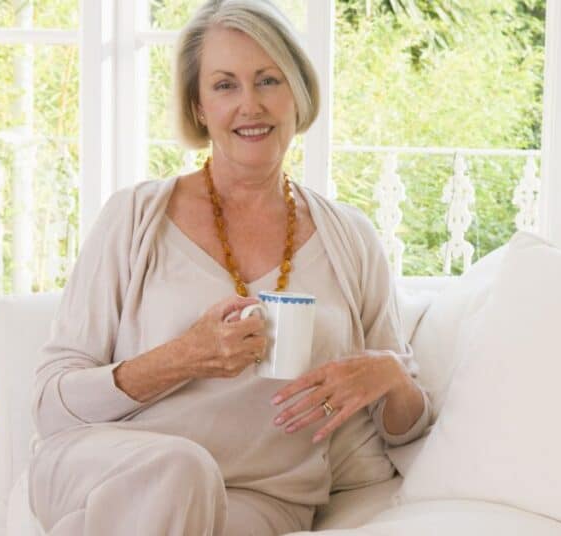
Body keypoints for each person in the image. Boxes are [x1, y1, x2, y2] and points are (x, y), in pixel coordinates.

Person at [27, 1, 429, 534]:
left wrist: (392, 376)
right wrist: (184, 357)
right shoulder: (134, 216)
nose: (250, 105)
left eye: (268, 80)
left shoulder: (348, 236)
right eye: (224, 85)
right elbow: (52, 404)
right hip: (111, 463)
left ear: (298, 94)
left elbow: (403, 429)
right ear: (198, 106)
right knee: (182, 469)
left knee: (196, 493)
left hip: (261, 494)